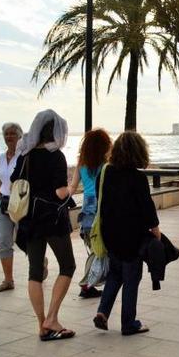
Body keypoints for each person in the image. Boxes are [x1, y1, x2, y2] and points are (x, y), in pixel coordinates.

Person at [11, 110, 76, 341]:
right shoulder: (55, 156)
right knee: (67, 266)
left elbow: (14, 181)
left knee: (35, 273)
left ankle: (42, 325)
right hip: (52, 219)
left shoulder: (25, 155)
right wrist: (71, 188)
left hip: (29, 219)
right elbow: (60, 192)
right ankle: (52, 318)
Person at [93, 131, 160, 336]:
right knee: (132, 277)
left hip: (110, 233)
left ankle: (103, 312)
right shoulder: (138, 178)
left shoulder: (105, 172)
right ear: (139, 151)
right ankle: (128, 323)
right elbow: (146, 208)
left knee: (115, 273)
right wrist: (155, 230)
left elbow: (100, 200)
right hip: (133, 235)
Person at [67, 128, 112, 299]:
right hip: (102, 206)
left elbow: (72, 186)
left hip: (87, 207)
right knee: (99, 248)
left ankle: (89, 284)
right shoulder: (107, 163)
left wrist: (64, 199)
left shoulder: (81, 162)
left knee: (94, 246)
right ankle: (87, 284)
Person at [0, 122, 23, 293]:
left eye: (12, 133)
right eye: (6, 134)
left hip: (19, 203)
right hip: (2, 202)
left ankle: (41, 263)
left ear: (20, 136)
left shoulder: (24, 155)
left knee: (24, 240)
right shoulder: (2, 157)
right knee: (4, 242)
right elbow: (3, 178)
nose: (9, 137)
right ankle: (8, 280)